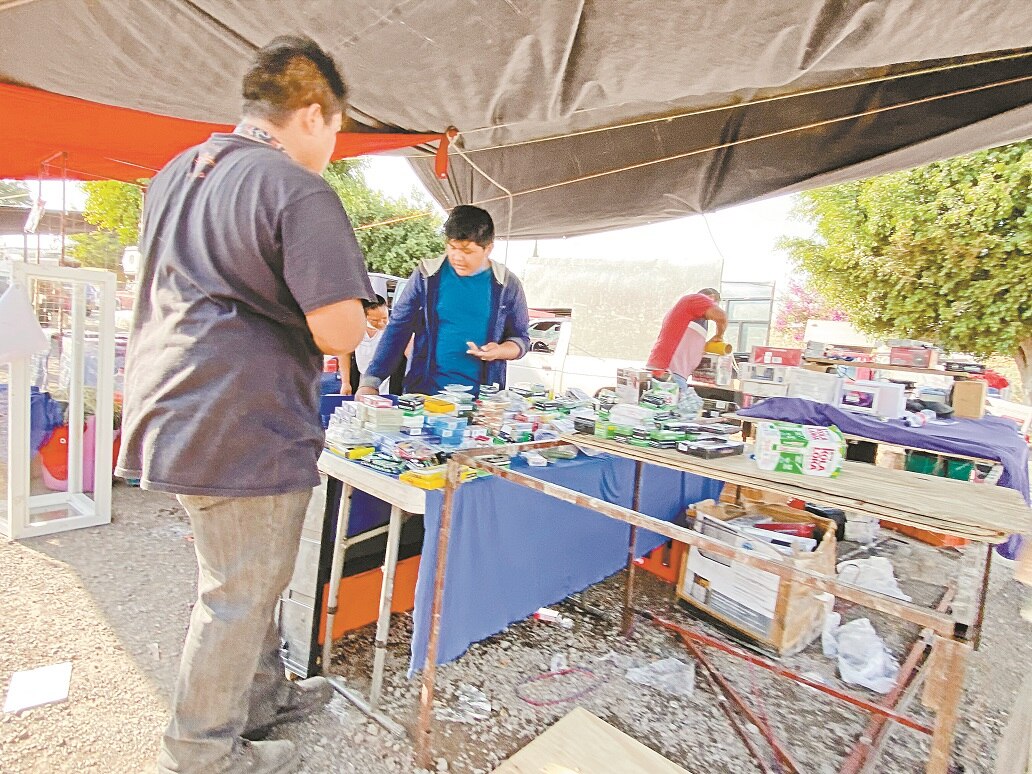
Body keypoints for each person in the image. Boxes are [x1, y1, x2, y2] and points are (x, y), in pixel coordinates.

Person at [115, 35, 374, 774]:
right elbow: (338, 330)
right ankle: (199, 752)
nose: (331, 147)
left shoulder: (177, 172)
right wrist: (361, 316)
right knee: (236, 594)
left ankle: (263, 697)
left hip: (173, 405)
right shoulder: (296, 186)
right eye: (336, 130)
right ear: (314, 114)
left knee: (249, 580)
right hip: (241, 418)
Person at [356, 205, 530, 397]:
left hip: (483, 403)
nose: (457, 257)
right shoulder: (426, 276)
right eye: (452, 247)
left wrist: (499, 351)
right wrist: (371, 381)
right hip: (425, 397)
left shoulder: (506, 284)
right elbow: (397, 329)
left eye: (467, 251)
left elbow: (521, 339)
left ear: (488, 248)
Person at [645, 287, 728, 395]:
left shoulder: (689, 316)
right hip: (670, 373)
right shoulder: (695, 299)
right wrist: (719, 336)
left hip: (671, 373)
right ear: (711, 298)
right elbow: (722, 317)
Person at [344, 295, 390, 395]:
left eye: (384, 318)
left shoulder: (392, 328)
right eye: (375, 320)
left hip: (387, 380)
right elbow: (344, 353)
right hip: (363, 377)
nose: (381, 323)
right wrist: (345, 382)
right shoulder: (354, 328)